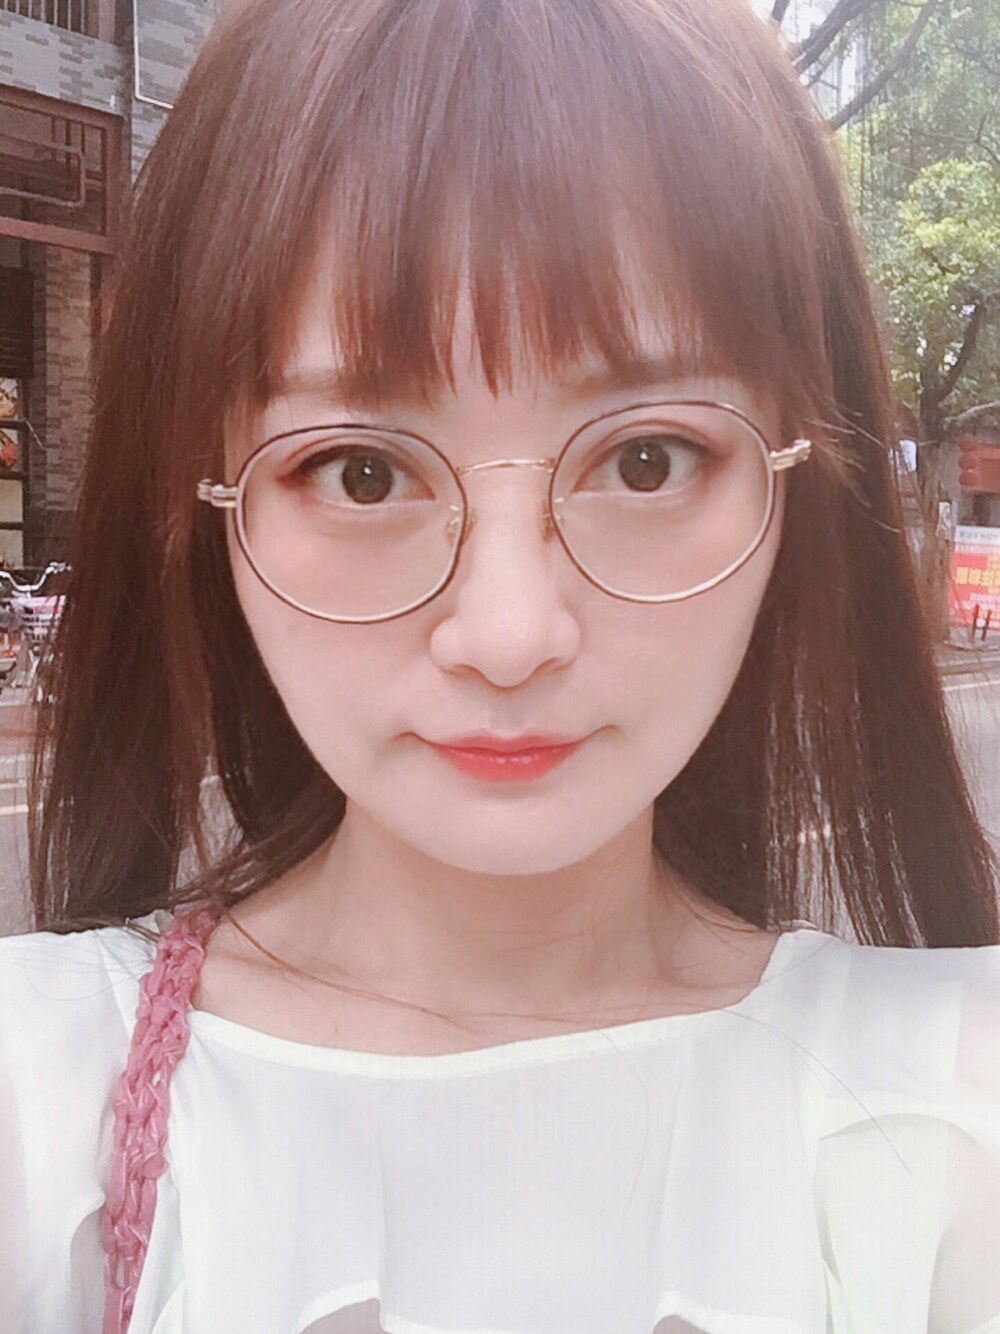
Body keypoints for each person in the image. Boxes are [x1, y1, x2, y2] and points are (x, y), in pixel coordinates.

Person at [2, 0, 999, 1330]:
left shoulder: (952, 1110)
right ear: (206, 498)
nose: (512, 633)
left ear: (797, 484)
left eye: (647, 459)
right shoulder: (40, 1111)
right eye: (361, 472)